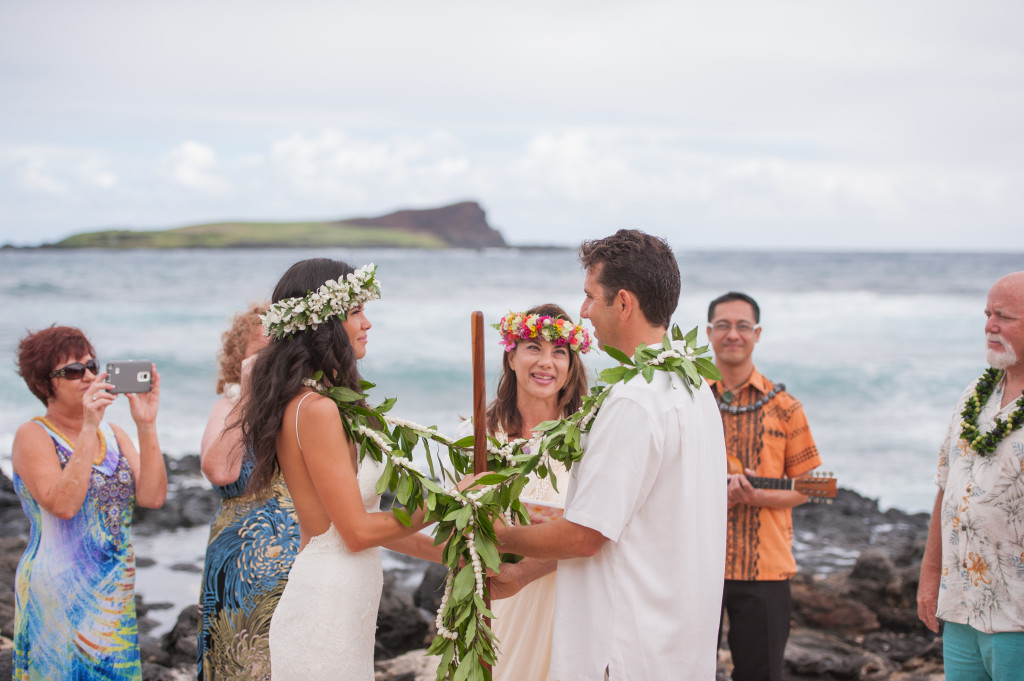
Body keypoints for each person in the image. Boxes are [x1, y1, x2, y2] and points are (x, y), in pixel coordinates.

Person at [492, 229, 728, 681]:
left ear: (622, 303)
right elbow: (624, 526)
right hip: (676, 648)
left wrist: (500, 533)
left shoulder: (634, 402)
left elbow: (585, 535)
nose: (582, 313)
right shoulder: (694, 387)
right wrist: (521, 577)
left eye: (589, 297)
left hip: (622, 651)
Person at [239, 258, 439, 681]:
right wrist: (446, 500)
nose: (367, 323)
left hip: (345, 602)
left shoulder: (325, 403)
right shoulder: (317, 410)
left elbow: (363, 528)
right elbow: (357, 532)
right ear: (322, 322)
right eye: (355, 312)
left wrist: (452, 552)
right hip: (324, 609)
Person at [11, 326, 167, 679]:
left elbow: (153, 497)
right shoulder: (33, 435)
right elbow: (62, 504)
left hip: (114, 592)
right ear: (43, 384)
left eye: (92, 366)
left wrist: (146, 424)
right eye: (73, 370)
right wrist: (87, 427)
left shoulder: (114, 435)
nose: (89, 376)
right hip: (57, 594)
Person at [456, 304, 591, 681]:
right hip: (496, 600)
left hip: (565, 599)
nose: (546, 362)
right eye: (533, 347)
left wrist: (526, 569)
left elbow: (597, 533)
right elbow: (456, 531)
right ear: (511, 356)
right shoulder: (476, 435)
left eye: (559, 352)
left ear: (571, 366)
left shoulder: (588, 438)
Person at [706, 292, 822, 681]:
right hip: (695, 562)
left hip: (765, 569)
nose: (732, 334)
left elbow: (815, 487)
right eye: (723, 325)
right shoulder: (688, 400)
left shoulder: (786, 407)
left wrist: (753, 496)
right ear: (709, 333)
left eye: (742, 326)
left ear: (757, 334)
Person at [917, 271, 1024, 681]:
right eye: (987, 314)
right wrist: (930, 578)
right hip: (962, 608)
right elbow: (947, 486)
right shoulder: (975, 394)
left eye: (1004, 316)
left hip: (1016, 618)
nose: (990, 326)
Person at [196, 303, 300, 680]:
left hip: (297, 559)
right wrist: (249, 396)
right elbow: (219, 470)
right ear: (239, 358)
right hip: (238, 561)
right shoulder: (228, 407)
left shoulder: (305, 409)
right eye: (261, 351)